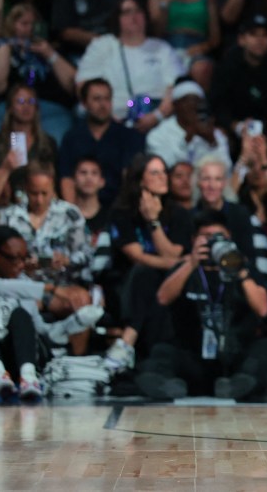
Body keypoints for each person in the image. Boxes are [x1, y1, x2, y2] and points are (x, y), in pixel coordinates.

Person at [136, 210, 267, 400]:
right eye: (206, 237)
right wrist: (192, 263)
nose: (213, 242)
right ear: (194, 240)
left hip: (233, 356)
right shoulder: (186, 267)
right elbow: (163, 298)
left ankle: (238, 385)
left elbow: (263, 309)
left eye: (219, 237)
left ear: (230, 238)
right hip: (193, 354)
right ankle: (168, 385)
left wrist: (238, 269)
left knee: (266, 347)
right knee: (162, 350)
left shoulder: (243, 268)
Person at [0, 227, 102, 401]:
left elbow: (43, 331)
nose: (21, 265)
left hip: (17, 355)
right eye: (15, 258)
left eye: (24, 258)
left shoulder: (25, 283)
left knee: (20, 314)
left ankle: (28, 377)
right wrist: (50, 288)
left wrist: (77, 321)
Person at [104, 154, 193, 372]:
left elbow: (170, 252)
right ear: (140, 180)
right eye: (155, 172)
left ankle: (127, 343)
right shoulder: (122, 212)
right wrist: (179, 263)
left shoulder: (179, 213)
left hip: (166, 284)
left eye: (164, 172)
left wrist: (153, 222)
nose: (163, 177)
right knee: (144, 272)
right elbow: (137, 256)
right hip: (127, 282)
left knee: (153, 280)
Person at [0, 162, 93, 354]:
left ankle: (76, 363)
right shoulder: (10, 217)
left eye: (45, 193)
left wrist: (67, 260)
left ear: (53, 188)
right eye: (34, 193)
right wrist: (21, 265)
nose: (39, 200)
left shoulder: (70, 214)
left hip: (61, 285)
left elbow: (86, 254)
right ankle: (30, 362)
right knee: (22, 304)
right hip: (24, 286)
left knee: (82, 301)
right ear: (26, 189)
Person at [75, 0, 184, 133]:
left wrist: (157, 116)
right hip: (112, 119)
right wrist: (107, 117)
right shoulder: (102, 46)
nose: (133, 16)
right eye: (126, 12)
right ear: (117, 18)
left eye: (138, 11)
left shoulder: (162, 48)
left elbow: (176, 86)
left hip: (158, 117)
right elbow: (83, 85)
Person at [0, 2, 77, 144]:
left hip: (45, 108)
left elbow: (75, 86)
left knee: (58, 138)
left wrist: (49, 54)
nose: (30, 29)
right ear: (11, 25)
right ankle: (14, 157)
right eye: (24, 24)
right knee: (2, 144)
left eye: (34, 24)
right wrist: (7, 47)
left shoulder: (52, 48)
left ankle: (39, 158)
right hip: (4, 108)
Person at [207, 14, 267, 162]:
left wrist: (263, 127)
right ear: (241, 39)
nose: (259, 40)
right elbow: (217, 104)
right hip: (235, 128)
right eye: (253, 34)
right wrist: (235, 125)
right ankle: (221, 176)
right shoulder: (227, 67)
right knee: (217, 135)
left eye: (264, 35)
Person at [147, 0, 222, 90]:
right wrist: (166, 2)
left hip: (197, 46)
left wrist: (201, 48)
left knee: (202, 68)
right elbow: (156, 32)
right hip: (166, 45)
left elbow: (215, 38)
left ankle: (200, 104)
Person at [58, 78, 144, 206]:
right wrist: (72, 212)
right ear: (84, 103)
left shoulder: (128, 136)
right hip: (81, 208)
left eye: (107, 99)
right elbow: (67, 178)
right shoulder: (72, 137)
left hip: (118, 207)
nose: (103, 105)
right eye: (97, 99)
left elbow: (130, 179)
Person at [0, 83, 59, 207]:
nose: (26, 106)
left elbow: (55, 182)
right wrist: (5, 169)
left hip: (40, 204)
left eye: (31, 101)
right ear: (10, 107)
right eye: (20, 101)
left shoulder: (48, 143)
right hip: (4, 205)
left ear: (36, 107)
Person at [146, 79, 231, 173]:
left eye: (196, 101)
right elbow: (164, 168)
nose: (192, 106)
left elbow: (227, 169)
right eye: (186, 101)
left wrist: (211, 142)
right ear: (176, 105)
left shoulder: (213, 133)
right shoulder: (157, 136)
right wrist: (187, 140)